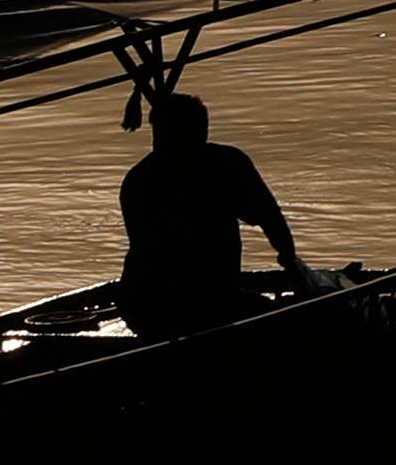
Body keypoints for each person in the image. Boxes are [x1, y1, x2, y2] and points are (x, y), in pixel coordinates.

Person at [118, 92, 311, 340]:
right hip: (197, 301)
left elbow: (267, 215)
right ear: (202, 131)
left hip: (143, 303)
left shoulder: (137, 178)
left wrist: (287, 255)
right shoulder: (225, 163)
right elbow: (267, 215)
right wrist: (290, 260)